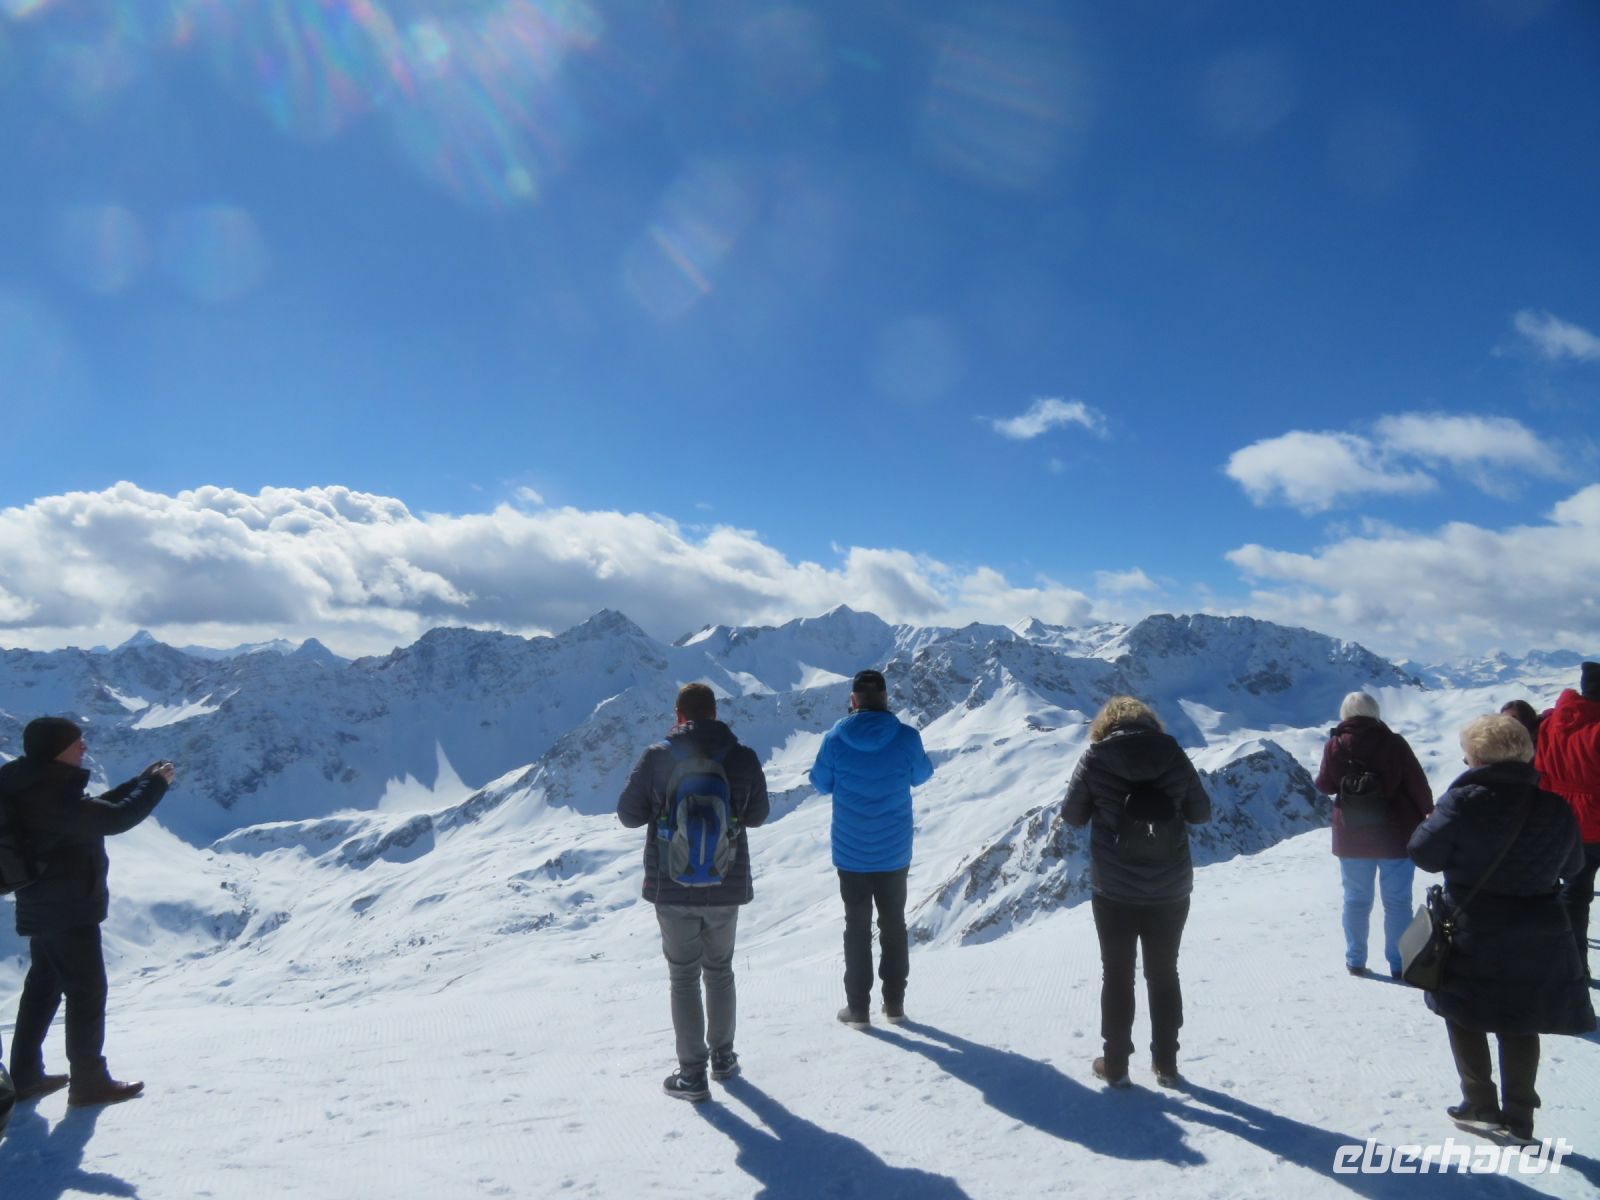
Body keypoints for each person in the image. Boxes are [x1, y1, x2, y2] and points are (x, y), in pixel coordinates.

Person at [1408, 714, 1595, 1143]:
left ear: (1478, 757)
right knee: (1521, 1020)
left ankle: (1480, 1103)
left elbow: (1423, 854)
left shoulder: (1463, 801)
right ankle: (1521, 1116)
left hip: (1473, 924)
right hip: (1540, 928)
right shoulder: (1554, 804)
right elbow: (1572, 868)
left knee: (1463, 1011)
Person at [2, 716, 173, 1108]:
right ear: (56, 749)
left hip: (43, 904)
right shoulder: (49, 792)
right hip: (69, 909)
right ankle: (89, 1082)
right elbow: (114, 819)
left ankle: (25, 1076)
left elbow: (90, 812)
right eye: (76, 741)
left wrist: (138, 783)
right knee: (87, 992)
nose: (83, 747)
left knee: (43, 988)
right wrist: (156, 785)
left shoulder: (30, 782)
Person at [617, 683, 769, 1102]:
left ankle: (692, 1076)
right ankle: (723, 1059)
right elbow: (758, 816)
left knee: (683, 976)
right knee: (719, 970)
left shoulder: (658, 756)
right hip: (726, 881)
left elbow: (628, 815)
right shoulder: (741, 756)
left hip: (672, 884)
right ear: (715, 713)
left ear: (679, 714)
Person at [1062, 695, 1210, 1089]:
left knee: (1117, 974)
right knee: (1163, 973)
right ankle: (1166, 1063)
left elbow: (1072, 815)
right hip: (1171, 886)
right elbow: (1200, 812)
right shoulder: (1173, 753)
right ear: (1150, 722)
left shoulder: (1096, 757)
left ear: (1105, 725)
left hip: (1114, 887)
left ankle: (1115, 1065)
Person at [809, 668, 933, 1028]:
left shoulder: (834, 739)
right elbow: (921, 775)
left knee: (857, 928)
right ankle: (894, 1005)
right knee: (894, 923)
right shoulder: (907, 737)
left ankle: (857, 1009)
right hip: (894, 852)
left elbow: (820, 783)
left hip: (850, 853)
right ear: (885, 699)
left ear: (853, 701)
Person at [1314, 692, 1433, 977]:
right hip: (1395, 835)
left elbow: (1324, 786)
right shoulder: (1393, 742)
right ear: (1375, 711)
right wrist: (1428, 812)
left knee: (1356, 899)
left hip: (1352, 835)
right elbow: (1416, 783)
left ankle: (1356, 960)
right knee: (1397, 902)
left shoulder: (1334, 745)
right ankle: (1398, 963)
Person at [1533, 661, 1600, 979]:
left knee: (1570, 893)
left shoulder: (1551, 723)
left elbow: (1539, 768)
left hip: (1561, 819)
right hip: (1594, 817)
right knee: (1576, 894)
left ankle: (1571, 966)